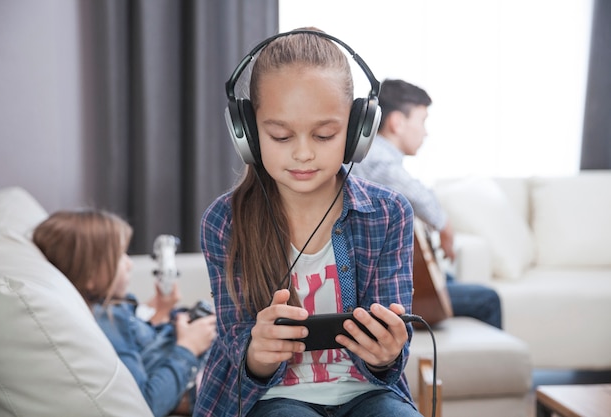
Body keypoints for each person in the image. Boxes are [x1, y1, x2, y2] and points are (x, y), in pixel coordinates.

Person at [195, 28, 422, 417]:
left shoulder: (389, 213)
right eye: (281, 136)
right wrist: (259, 354)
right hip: (268, 398)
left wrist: (386, 354)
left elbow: (391, 349)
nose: (302, 153)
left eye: (324, 134)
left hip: (366, 392)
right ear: (246, 133)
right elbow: (236, 344)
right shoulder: (224, 221)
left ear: (356, 132)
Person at [32, 209, 217, 417]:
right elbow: (146, 403)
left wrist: (160, 312)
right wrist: (189, 347)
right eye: (120, 256)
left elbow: (141, 348)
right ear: (91, 276)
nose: (129, 264)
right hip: (201, 379)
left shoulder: (109, 309)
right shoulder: (108, 320)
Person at [351, 78, 502, 329]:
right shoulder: (376, 157)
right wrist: (444, 226)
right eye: (422, 121)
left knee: (449, 279)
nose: (426, 132)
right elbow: (420, 196)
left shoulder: (376, 154)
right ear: (397, 123)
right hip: (378, 285)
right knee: (489, 298)